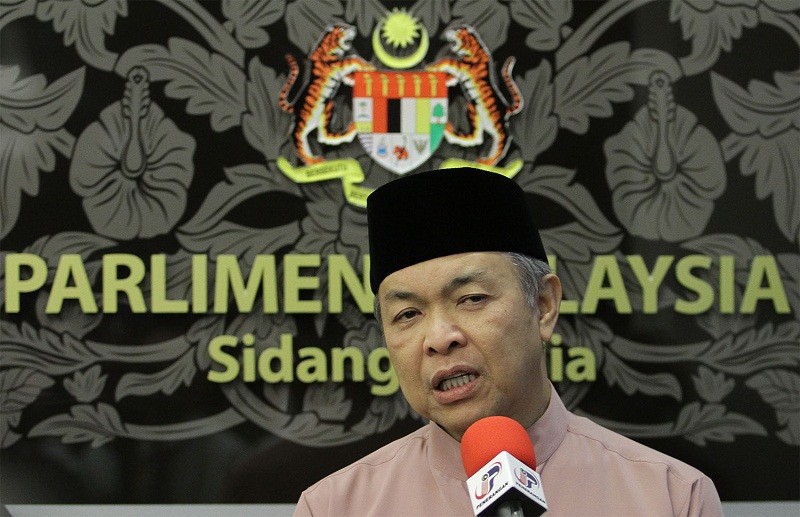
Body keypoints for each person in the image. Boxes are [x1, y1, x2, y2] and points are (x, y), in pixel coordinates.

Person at [293, 167, 723, 516]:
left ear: (544, 305)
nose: (440, 339)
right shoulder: (336, 507)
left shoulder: (670, 496)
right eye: (408, 314)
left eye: (471, 299)